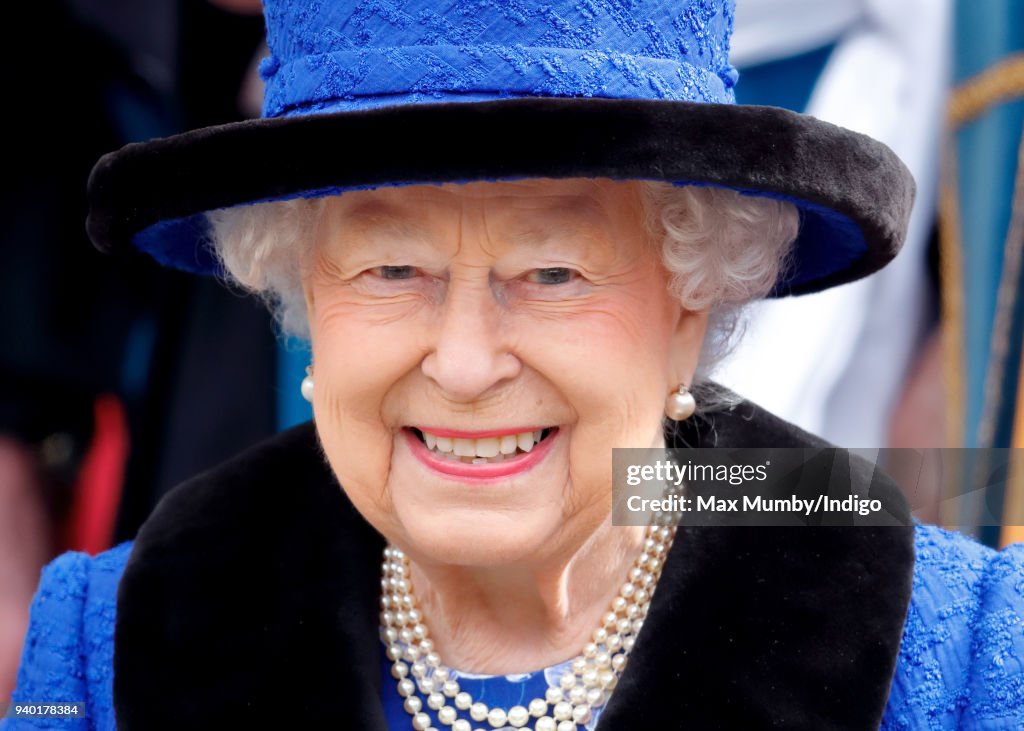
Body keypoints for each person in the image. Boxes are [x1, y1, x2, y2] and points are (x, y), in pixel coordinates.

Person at [5, 1, 1024, 730]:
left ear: (690, 304)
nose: (460, 360)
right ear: (303, 297)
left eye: (551, 269)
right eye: (390, 267)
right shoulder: (111, 644)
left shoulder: (960, 657)